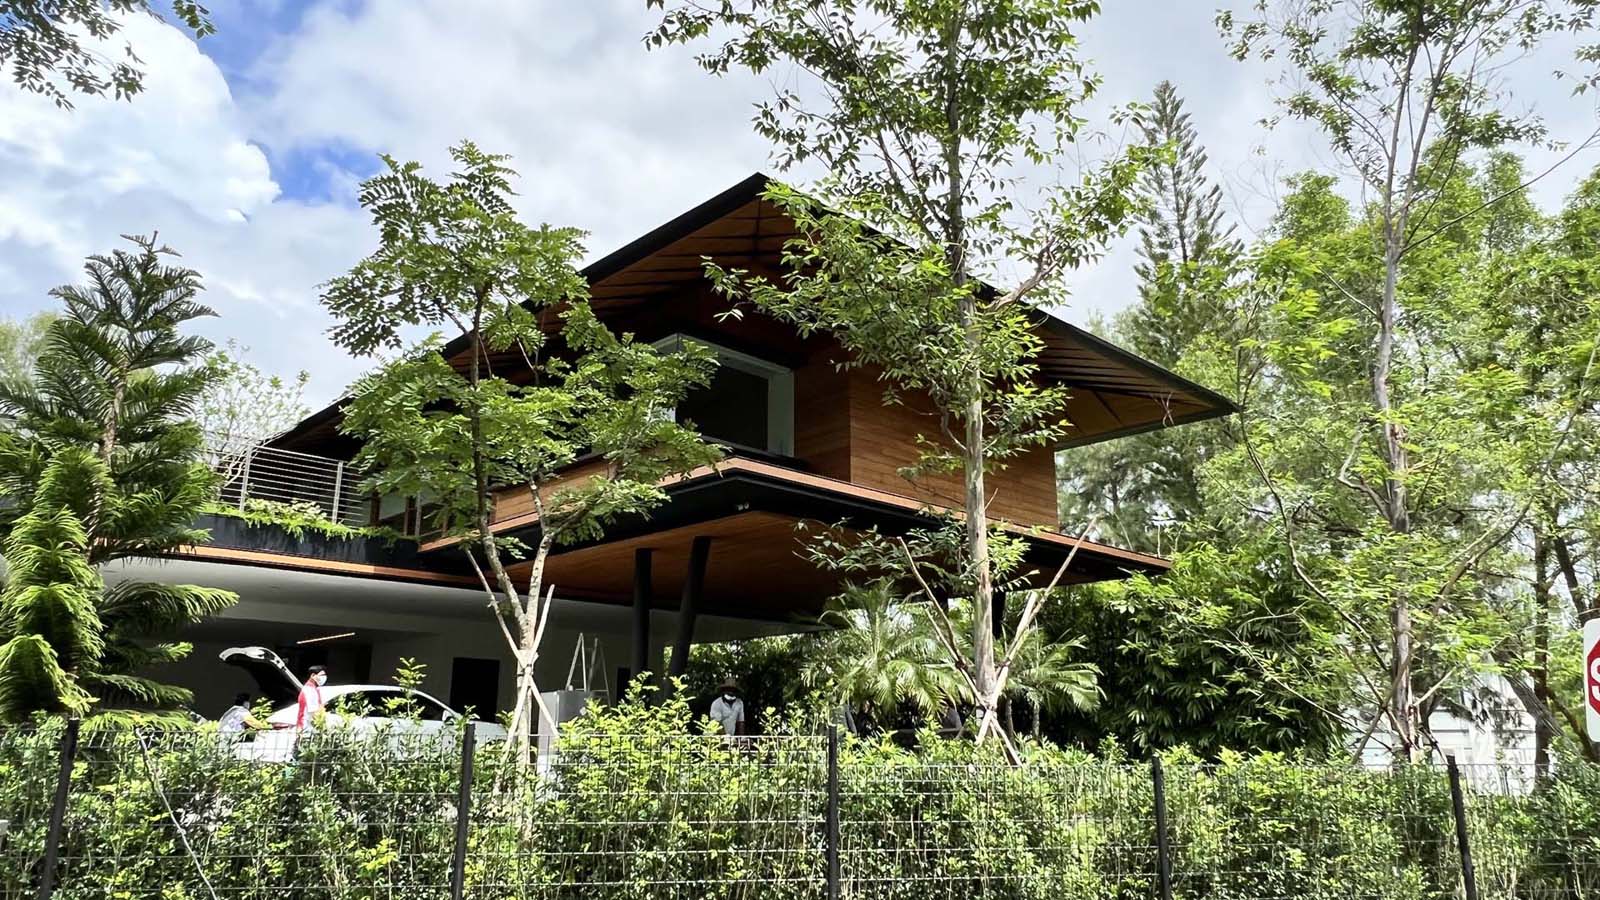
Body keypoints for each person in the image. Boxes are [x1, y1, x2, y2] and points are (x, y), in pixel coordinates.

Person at [296, 664, 328, 730]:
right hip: (306, 728)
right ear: (313, 675)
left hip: (308, 728)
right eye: (322, 675)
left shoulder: (312, 689)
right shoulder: (309, 690)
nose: (324, 678)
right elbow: (314, 712)